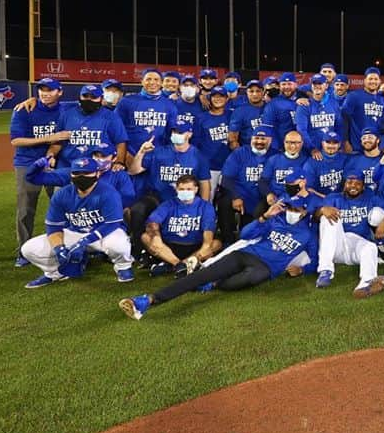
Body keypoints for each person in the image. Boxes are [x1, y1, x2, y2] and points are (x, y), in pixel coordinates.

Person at [118, 195, 317, 320]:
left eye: (296, 210)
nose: (292, 212)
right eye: (290, 208)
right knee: (202, 276)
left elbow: (315, 259)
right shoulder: (275, 221)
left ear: (304, 212)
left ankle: (214, 285)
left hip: (265, 268)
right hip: (246, 255)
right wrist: (265, 217)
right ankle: (147, 301)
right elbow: (246, 235)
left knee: (250, 277)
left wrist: (303, 269)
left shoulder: (307, 235)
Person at [21, 157, 135, 288]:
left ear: (97, 174)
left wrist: (84, 242)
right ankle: (55, 272)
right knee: (28, 249)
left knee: (118, 244)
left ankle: (123, 267)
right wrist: (59, 249)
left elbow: (112, 224)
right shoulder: (61, 195)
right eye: (77, 173)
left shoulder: (108, 192)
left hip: (103, 234)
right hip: (75, 233)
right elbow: (53, 227)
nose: (81, 177)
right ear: (71, 175)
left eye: (86, 173)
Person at [127, 121, 211, 259]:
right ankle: (139, 250)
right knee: (138, 209)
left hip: (185, 201)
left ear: (189, 134)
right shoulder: (159, 152)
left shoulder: (198, 156)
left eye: (180, 132)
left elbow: (204, 184)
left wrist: (203, 206)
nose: (176, 135)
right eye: (174, 132)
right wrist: (141, 152)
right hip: (157, 198)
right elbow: (133, 171)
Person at [10, 77, 70, 265]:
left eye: (50, 90)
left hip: (54, 163)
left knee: (63, 207)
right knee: (26, 209)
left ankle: (65, 249)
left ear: (59, 92)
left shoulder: (66, 109)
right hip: (27, 163)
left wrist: (51, 152)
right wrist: (49, 138)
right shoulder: (23, 110)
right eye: (41, 90)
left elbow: (91, 99)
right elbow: (16, 141)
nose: (45, 93)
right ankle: (23, 251)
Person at [312, 175, 384, 297]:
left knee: (370, 247)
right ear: (344, 185)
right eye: (350, 182)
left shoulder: (370, 198)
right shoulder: (333, 198)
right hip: (336, 245)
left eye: (358, 183)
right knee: (329, 216)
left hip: (356, 246)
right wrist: (322, 210)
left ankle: (366, 284)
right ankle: (325, 270)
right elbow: (316, 217)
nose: (353, 186)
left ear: (363, 187)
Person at [141, 174, 219, 276]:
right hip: (169, 246)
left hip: (195, 246)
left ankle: (172, 266)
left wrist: (206, 245)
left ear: (196, 189)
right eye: (181, 189)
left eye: (189, 189)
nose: (185, 192)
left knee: (216, 244)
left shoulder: (205, 206)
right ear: (176, 189)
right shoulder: (168, 204)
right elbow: (152, 222)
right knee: (146, 237)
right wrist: (155, 236)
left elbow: (208, 230)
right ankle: (179, 265)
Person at [26, 142, 137, 211]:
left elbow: (128, 198)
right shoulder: (78, 171)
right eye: (96, 155)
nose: (99, 159)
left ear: (113, 158)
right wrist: (39, 164)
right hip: (79, 220)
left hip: (107, 218)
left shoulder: (119, 175)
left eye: (104, 156)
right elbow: (33, 178)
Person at [217, 127, 275, 244]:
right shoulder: (239, 153)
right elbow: (226, 179)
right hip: (241, 196)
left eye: (263, 139)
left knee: (247, 234)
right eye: (256, 138)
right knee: (224, 202)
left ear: (270, 140)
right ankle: (227, 241)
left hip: (262, 199)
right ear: (251, 139)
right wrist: (235, 196)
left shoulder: (275, 155)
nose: (259, 141)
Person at [51, 84, 129, 166]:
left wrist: (119, 162)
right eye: (85, 96)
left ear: (101, 99)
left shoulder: (112, 117)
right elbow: (57, 142)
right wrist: (50, 155)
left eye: (93, 97)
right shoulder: (67, 115)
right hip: (67, 165)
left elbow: (120, 142)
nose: (89, 100)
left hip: (97, 169)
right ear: (79, 97)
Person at [116, 68, 178, 154]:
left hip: (158, 156)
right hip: (131, 155)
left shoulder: (169, 105)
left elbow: (171, 133)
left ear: (161, 83)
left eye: (156, 79)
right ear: (142, 81)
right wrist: (124, 155)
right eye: (148, 79)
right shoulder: (126, 101)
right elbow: (116, 130)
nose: (152, 82)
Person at [193, 88, 233, 189]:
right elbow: (195, 141)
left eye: (221, 96)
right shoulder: (201, 117)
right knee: (208, 198)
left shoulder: (232, 115)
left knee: (228, 200)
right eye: (215, 96)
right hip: (209, 166)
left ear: (227, 99)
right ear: (210, 98)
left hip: (230, 165)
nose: (218, 99)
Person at [295, 73, 342, 158]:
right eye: (314, 84)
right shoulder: (304, 105)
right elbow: (301, 130)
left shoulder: (333, 103)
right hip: (310, 152)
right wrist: (312, 149)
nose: (317, 86)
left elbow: (339, 126)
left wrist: (338, 145)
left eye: (320, 83)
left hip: (330, 150)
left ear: (326, 85)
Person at [341, 67, 384, 151]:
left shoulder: (383, 100)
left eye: (375, 79)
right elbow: (343, 119)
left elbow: (383, 125)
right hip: (356, 146)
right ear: (365, 81)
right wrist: (345, 141)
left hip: (376, 148)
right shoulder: (354, 96)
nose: (373, 81)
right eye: (370, 79)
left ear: (379, 81)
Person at [261, 72, 301, 146]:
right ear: (279, 86)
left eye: (289, 84)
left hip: (301, 146)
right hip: (281, 147)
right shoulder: (273, 104)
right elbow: (267, 129)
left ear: (296, 85)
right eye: (283, 84)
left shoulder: (303, 100)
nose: (286, 87)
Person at [305, 130, 346, 196]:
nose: (331, 145)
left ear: (339, 145)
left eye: (335, 143)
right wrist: (325, 198)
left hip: (341, 199)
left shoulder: (345, 159)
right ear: (322, 143)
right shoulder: (311, 163)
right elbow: (308, 188)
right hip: (319, 199)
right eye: (328, 142)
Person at [228, 80, 266, 149]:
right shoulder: (239, 111)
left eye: (258, 91)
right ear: (247, 92)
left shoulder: (271, 108)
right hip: (249, 152)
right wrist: (243, 155)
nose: (255, 94)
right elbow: (232, 139)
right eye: (251, 91)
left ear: (263, 92)